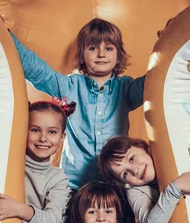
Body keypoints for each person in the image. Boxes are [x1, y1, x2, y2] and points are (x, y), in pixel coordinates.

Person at [10, 18, 145, 192]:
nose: (101, 54)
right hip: (75, 187)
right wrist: (5, 34)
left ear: (118, 54)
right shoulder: (71, 86)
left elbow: (155, 80)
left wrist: (168, 43)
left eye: (109, 48)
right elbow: (37, 70)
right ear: (82, 54)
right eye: (93, 48)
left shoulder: (126, 88)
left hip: (116, 186)